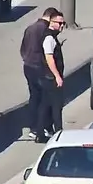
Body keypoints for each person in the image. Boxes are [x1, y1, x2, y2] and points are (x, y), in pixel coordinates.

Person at [20, 7, 58, 140]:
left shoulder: (30, 28)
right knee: (45, 98)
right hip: (40, 68)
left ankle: (33, 127)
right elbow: (47, 52)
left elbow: (23, 48)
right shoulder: (45, 32)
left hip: (28, 66)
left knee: (34, 96)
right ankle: (45, 127)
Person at [38, 10, 67, 142]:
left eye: (63, 23)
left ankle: (40, 133)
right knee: (56, 106)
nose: (62, 26)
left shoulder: (52, 37)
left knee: (45, 106)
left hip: (48, 77)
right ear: (51, 22)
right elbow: (49, 58)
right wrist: (57, 76)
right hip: (51, 78)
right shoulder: (49, 38)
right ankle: (59, 133)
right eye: (59, 23)